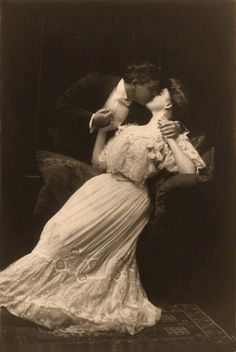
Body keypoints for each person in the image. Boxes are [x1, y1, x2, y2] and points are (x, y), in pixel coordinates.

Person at [0, 79, 205, 336]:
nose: (153, 92)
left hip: (127, 197)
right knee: (55, 230)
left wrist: (173, 139)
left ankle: (45, 299)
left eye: (160, 91)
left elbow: (189, 172)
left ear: (169, 102)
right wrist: (103, 132)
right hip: (100, 188)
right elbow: (99, 163)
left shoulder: (173, 134)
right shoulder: (131, 128)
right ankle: (28, 292)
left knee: (70, 240)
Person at [49, 61, 184, 161]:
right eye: (151, 88)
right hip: (66, 153)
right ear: (135, 84)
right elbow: (59, 109)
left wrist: (177, 127)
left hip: (104, 167)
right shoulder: (95, 81)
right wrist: (93, 118)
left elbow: (162, 122)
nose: (154, 93)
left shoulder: (144, 110)